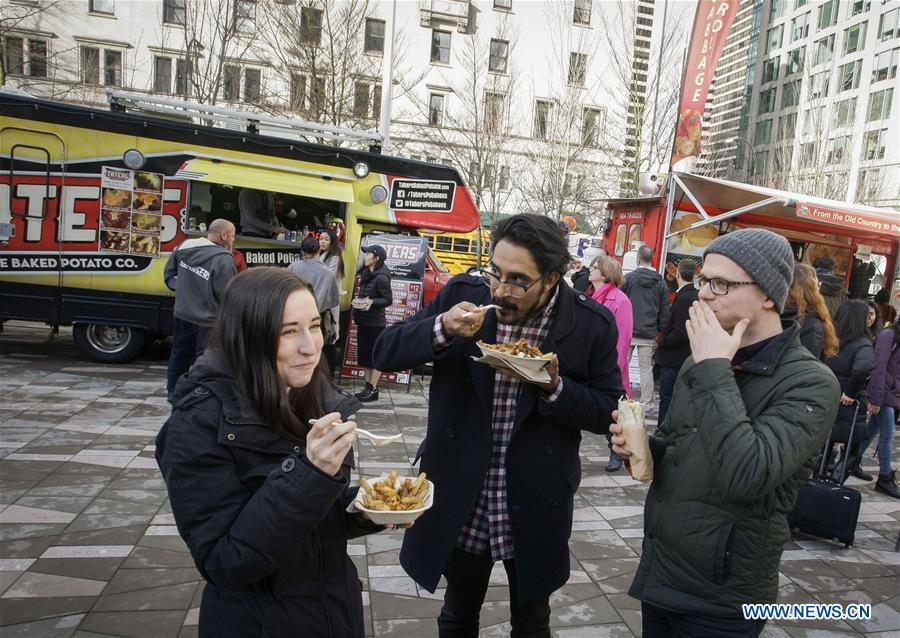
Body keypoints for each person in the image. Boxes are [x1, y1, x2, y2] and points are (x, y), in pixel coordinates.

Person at [373, 214, 623, 638]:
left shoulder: (589, 324)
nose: (501, 290)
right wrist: (443, 328)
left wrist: (555, 387)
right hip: (464, 493)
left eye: (517, 280)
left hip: (534, 496)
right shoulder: (463, 295)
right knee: (457, 614)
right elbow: (384, 352)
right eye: (496, 273)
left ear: (551, 279)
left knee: (531, 621)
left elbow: (608, 410)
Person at [611, 228, 839, 637]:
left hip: (725, 595)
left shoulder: (810, 383)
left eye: (721, 284)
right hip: (663, 572)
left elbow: (747, 474)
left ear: (768, 294)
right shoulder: (699, 362)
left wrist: (715, 369)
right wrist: (643, 449)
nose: (703, 294)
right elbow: (683, 447)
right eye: (703, 280)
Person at [156, 267, 390, 637]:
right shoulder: (197, 426)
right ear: (249, 337)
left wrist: (368, 510)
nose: (310, 347)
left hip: (333, 612)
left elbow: (309, 526)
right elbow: (225, 562)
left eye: (314, 326)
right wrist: (310, 474)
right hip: (258, 622)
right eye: (287, 332)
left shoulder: (310, 398)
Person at [163, 219, 238, 401]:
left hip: (181, 314)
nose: (233, 240)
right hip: (208, 321)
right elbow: (227, 295)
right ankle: (199, 397)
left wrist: (182, 290)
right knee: (205, 361)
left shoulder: (185, 246)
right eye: (233, 236)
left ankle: (173, 392)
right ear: (224, 235)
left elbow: (169, 276)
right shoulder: (223, 259)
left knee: (179, 355)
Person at [588, 255, 633, 472]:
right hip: (591, 365)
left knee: (612, 411)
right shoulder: (593, 297)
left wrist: (610, 368)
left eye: (594, 267)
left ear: (605, 273)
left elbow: (622, 342)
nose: (590, 269)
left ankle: (616, 450)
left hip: (609, 370)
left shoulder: (621, 300)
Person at [824, 300, 876, 482]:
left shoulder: (830, 336)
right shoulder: (863, 343)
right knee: (852, 446)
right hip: (849, 402)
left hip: (828, 394)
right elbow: (862, 368)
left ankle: (818, 478)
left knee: (825, 442)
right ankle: (835, 484)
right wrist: (850, 392)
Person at [621, 245, 670, 413]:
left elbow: (621, 303)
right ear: (653, 259)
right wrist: (660, 331)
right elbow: (664, 310)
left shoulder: (629, 278)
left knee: (621, 365)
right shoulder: (660, 282)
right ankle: (647, 404)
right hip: (649, 333)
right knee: (646, 369)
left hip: (628, 331)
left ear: (638, 258)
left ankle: (618, 396)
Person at [653, 258, 699, 426]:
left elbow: (680, 330)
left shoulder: (684, 297)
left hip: (674, 358)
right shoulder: (693, 294)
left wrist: (663, 341)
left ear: (677, 273)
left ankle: (663, 430)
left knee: (667, 398)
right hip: (684, 356)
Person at [352, 244, 392, 402]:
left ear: (376, 258)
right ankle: (367, 387)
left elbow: (388, 300)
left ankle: (373, 388)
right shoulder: (367, 272)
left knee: (374, 357)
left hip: (375, 324)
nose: (365, 256)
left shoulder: (381, 277)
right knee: (365, 357)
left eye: (368, 254)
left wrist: (372, 302)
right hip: (363, 321)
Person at [288, 236, 341, 352]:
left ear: (303, 252)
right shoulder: (327, 273)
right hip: (317, 322)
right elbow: (334, 301)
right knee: (315, 352)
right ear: (318, 250)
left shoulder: (293, 267)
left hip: (293, 317)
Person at [867, 317, 900, 498]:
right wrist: (876, 399)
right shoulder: (889, 335)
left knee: (871, 430)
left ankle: (848, 462)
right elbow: (879, 367)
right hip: (883, 393)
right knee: (888, 434)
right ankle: (884, 478)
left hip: (891, 394)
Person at [782, 263, 839, 360]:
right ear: (811, 288)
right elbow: (807, 363)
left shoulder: (775, 312)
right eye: (818, 284)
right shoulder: (812, 325)